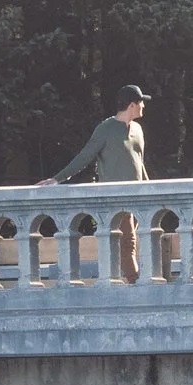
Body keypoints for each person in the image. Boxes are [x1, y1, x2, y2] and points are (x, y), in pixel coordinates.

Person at [52, 84, 151, 278]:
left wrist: (151, 191)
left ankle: (128, 286)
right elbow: (84, 157)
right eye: (141, 103)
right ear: (132, 105)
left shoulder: (138, 130)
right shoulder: (105, 129)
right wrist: (56, 179)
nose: (143, 107)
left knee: (137, 244)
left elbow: (139, 164)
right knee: (127, 246)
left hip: (140, 200)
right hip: (118, 201)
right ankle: (138, 287)